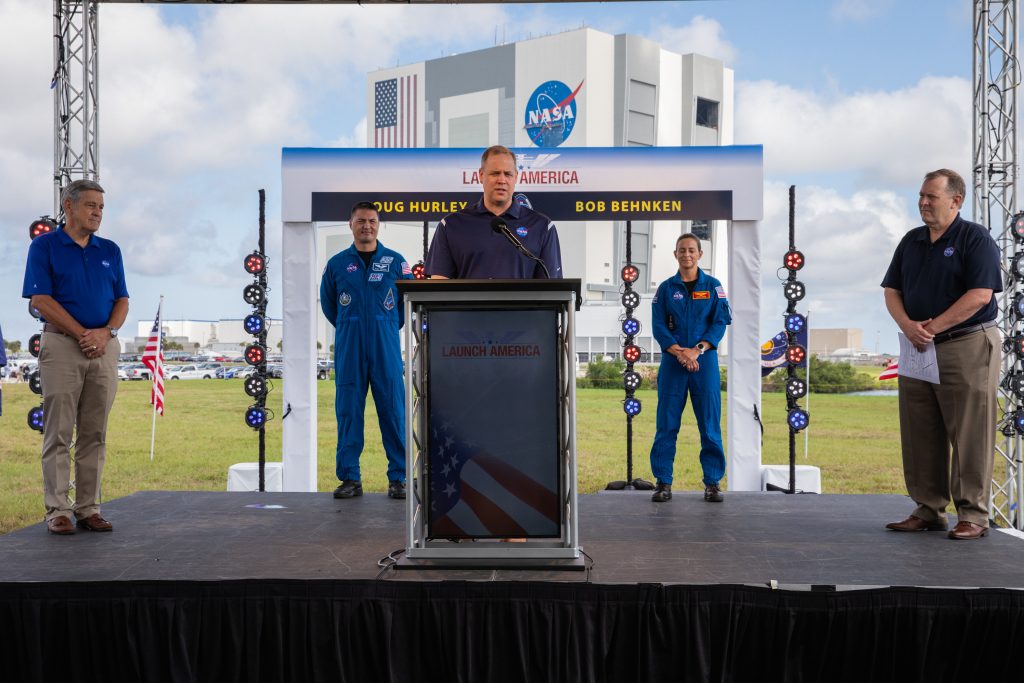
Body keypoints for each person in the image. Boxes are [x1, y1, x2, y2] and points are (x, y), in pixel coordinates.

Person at [881, 169, 1001, 540]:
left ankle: (974, 514)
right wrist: (908, 326)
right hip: (918, 346)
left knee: (969, 431)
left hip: (966, 344)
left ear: (956, 200)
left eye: (931, 197)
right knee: (920, 430)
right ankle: (928, 508)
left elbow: (980, 294)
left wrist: (931, 328)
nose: (923, 202)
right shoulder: (912, 240)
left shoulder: (975, 238)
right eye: (921, 195)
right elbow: (891, 289)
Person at [22, 179, 129, 535]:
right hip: (63, 347)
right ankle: (58, 511)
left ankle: (88, 508)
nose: (98, 212)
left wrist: (106, 333)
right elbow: (40, 300)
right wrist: (83, 333)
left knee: (95, 433)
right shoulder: (45, 246)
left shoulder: (110, 250)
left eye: (101, 207)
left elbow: (122, 300)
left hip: (104, 348)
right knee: (59, 431)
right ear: (69, 207)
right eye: (91, 206)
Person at [320, 201, 413, 500]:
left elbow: (407, 303)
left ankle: (398, 478)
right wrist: (352, 325)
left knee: (393, 411)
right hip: (349, 348)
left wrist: (385, 324)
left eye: (372, 221)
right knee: (348, 412)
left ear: (379, 224)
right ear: (351, 224)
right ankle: (350, 478)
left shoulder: (396, 262)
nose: (367, 226)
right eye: (361, 221)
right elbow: (329, 304)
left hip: (385, 346)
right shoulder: (336, 264)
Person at [649, 233, 732, 503]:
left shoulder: (713, 286)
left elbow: (720, 322)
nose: (687, 255)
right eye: (682, 250)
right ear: (675, 254)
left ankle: (712, 482)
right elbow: (659, 326)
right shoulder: (665, 289)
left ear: (700, 254)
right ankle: (663, 482)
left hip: (704, 363)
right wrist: (679, 352)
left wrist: (697, 350)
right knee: (666, 424)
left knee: (709, 425)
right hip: (673, 364)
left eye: (692, 250)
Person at [425, 145, 562, 279]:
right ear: (481, 175)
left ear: (516, 177)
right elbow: (439, 289)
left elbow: (551, 291)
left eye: (508, 174)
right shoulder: (450, 225)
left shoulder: (542, 226)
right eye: (495, 173)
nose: (502, 180)